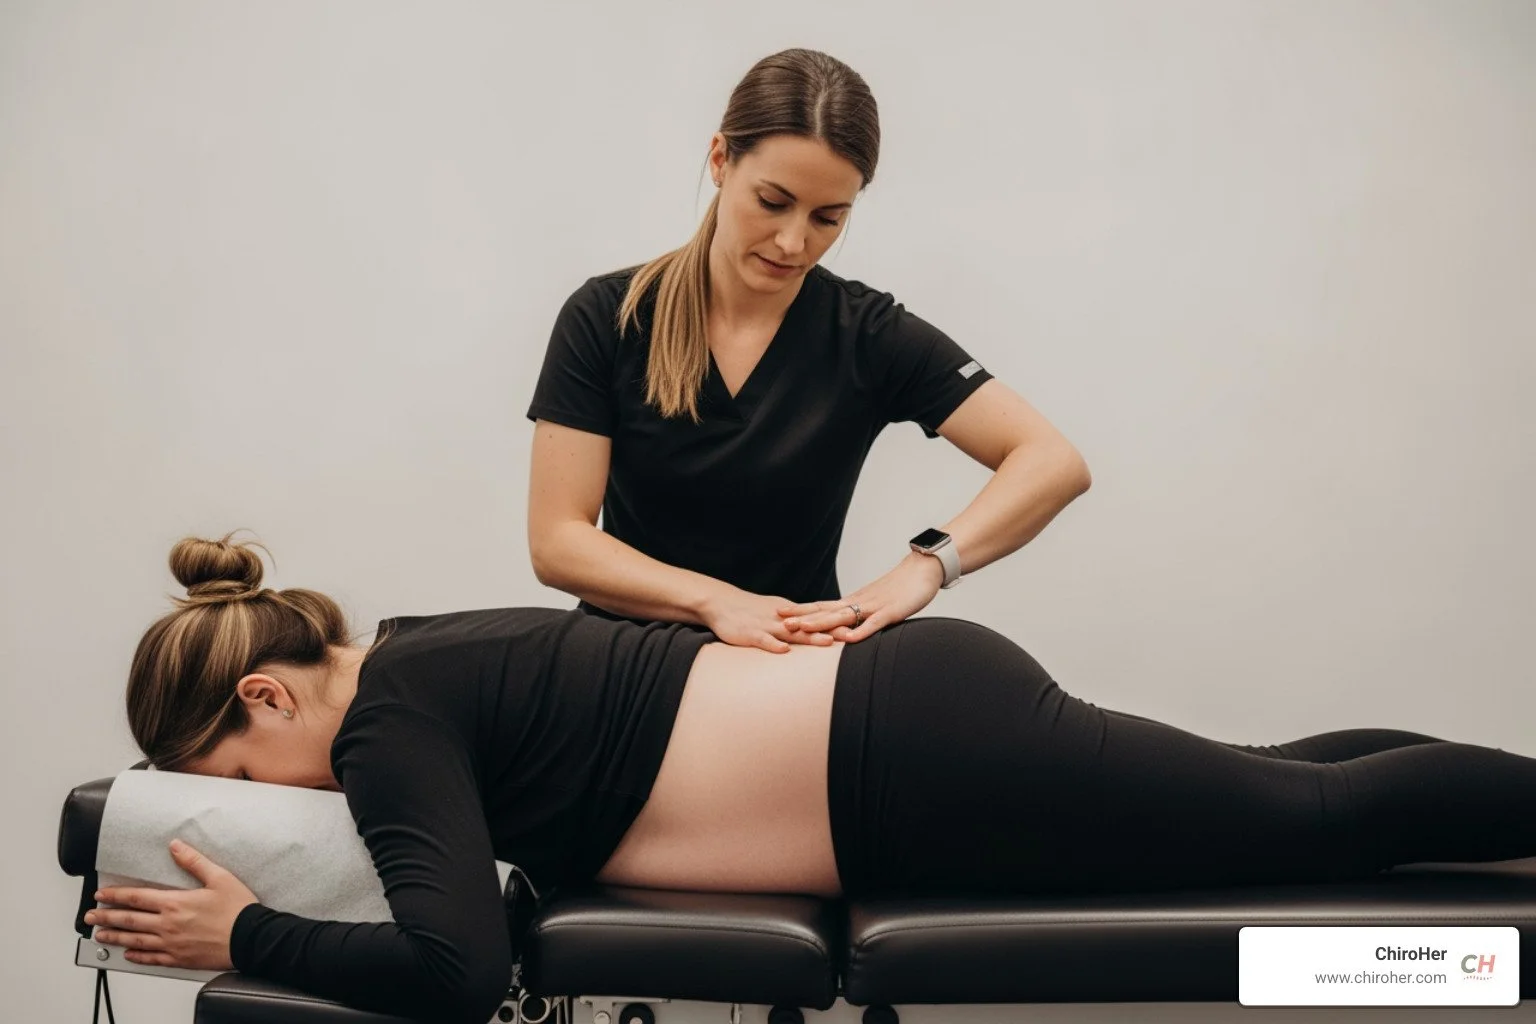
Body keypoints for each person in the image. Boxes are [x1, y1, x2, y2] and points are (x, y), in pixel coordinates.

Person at [92, 536, 1536, 1024]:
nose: (282, 801)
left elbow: (458, 974)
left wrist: (247, 938)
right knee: (1282, 789)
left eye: (239, 771)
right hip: (909, 729)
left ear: (269, 693)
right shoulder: (415, 657)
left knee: (1307, 819)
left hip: (914, 759)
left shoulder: (377, 727)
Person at [526, 47, 1093, 652]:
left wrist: (927, 565)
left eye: (828, 218)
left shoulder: (866, 335)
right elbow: (557, 540)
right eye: (772, 202)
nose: (793, 241)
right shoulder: (609, 316)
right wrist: (718, 604)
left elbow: (1053, 462)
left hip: (790, 677)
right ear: (720, 160)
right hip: (619, 672)